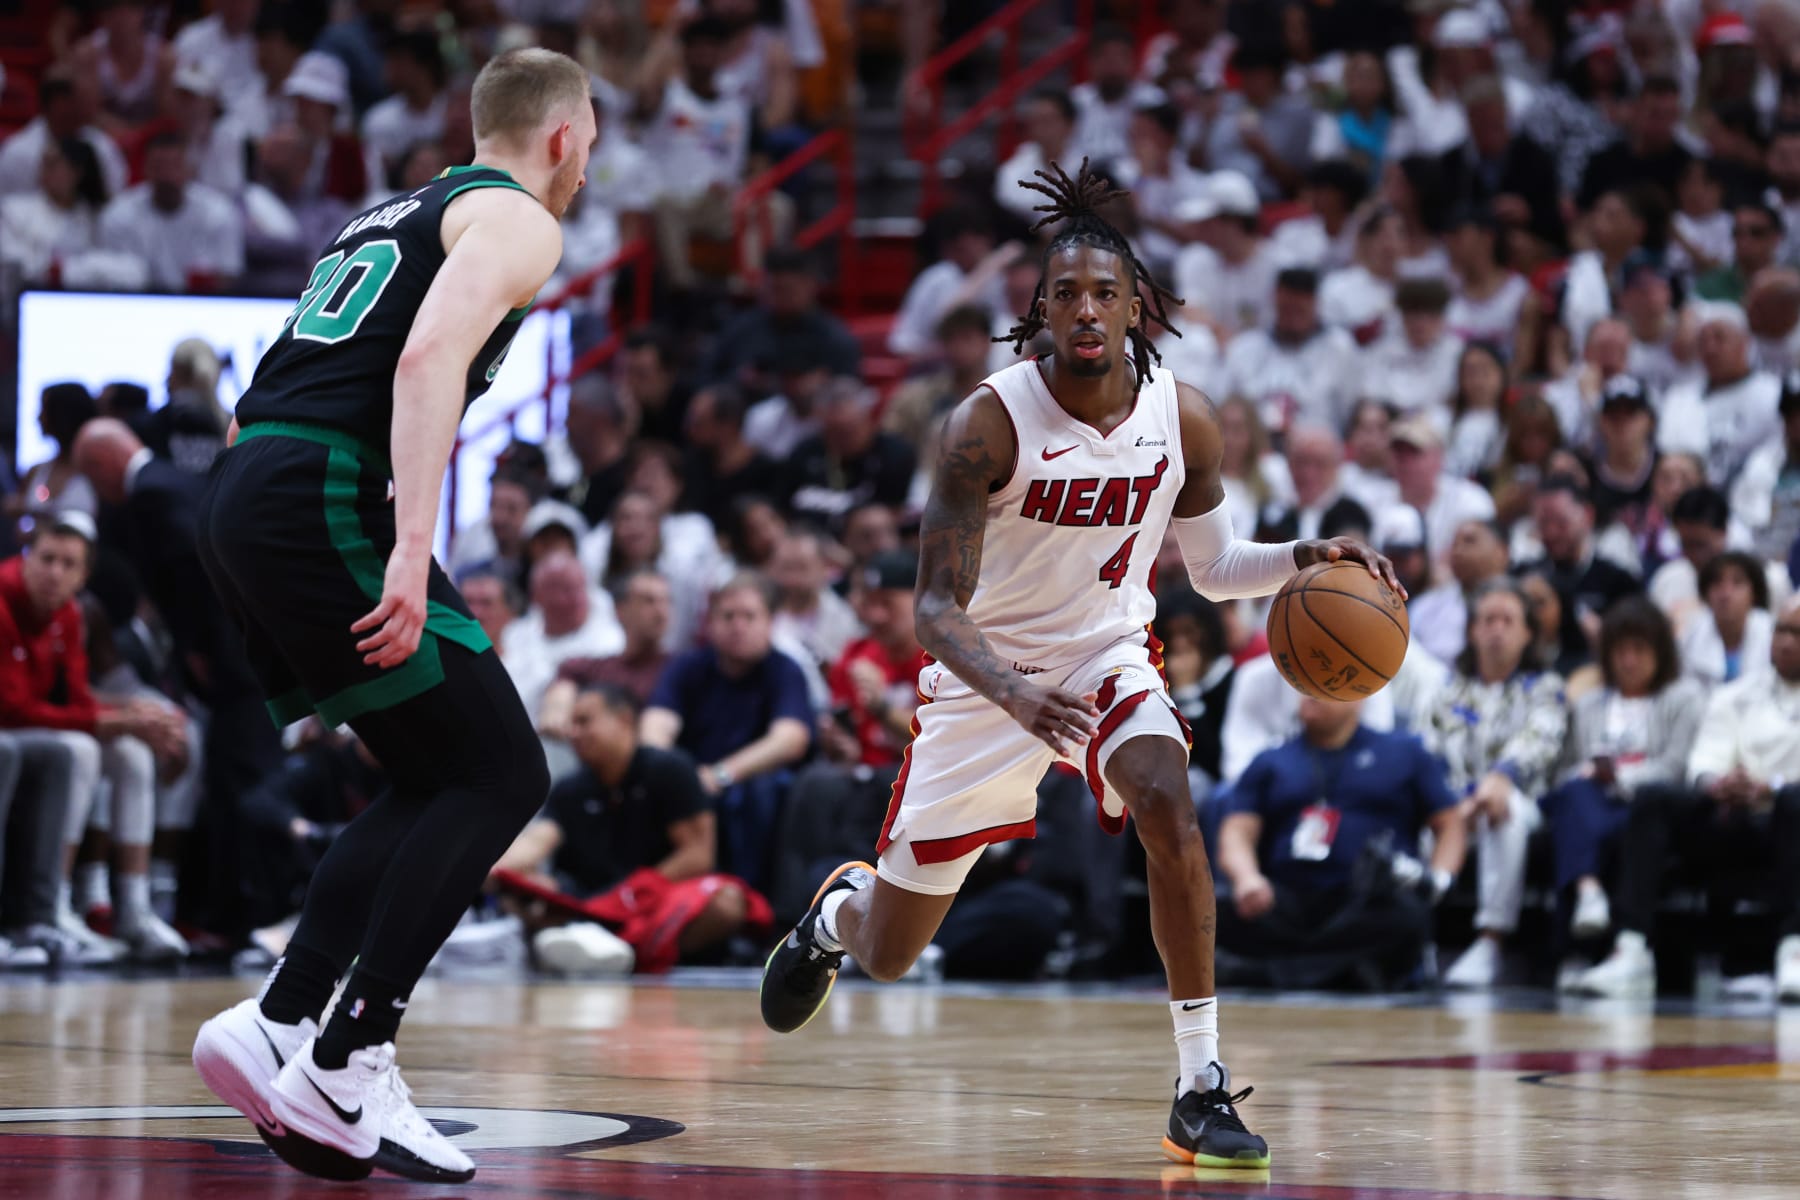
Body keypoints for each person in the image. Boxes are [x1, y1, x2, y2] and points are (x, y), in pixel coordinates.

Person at [758, 162, 1398, 1168]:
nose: (1087, 310)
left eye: (1105, 292)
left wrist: (1304, 561)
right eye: (1067, 295)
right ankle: (838, 916)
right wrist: (1013, 693)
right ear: (1041, 311)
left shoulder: (1182, 417)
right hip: (984, 685)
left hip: (1106, 654)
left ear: (1137, 303)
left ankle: (1199, 1086)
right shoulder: (987, 425)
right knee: (891, 952)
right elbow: (931, 609)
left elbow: (1219, 569)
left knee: (1166, 797)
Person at [187, 49, 596, 1185]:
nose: (584, 170)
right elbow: (425, 362)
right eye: (590, 146)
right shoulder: (517, 218)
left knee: (438, 772)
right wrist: (411, 553)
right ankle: (348, 1053)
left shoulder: (389, 211)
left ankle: (282, 1017)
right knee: (504, 774)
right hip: (322, 490)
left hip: (247, 488)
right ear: (562, 138)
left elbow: (288, 379)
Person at [1570, 595, 1800, 1001]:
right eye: (1782, 630)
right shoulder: (1737, 693)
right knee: (1655, 796)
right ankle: (1632, 947)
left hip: (1787, 814)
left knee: (1794, 802)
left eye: (1796, 634)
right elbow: (1704, 758)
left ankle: (1794, 950)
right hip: (1731, 812)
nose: (1786, 641)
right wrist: (1717, 781)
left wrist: (1772, 785)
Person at [0, 512, 189, 962]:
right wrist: (119, 719)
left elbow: (79, 699)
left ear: (84, 576)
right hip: (11, 727)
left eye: (68, 565)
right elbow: (12, 707)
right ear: (26, 557)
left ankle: (134, 909)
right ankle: (55, 905)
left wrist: (129, 715)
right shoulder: (4, 602)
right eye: (47, 558)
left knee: (131, 755)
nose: (54, 573)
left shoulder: (68, 613)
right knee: (82, 749)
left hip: (26, 729)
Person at [492, 684, 767, 974]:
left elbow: (698, 856)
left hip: (655, 899)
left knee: (726, 905)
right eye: (572, 723)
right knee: (524, 891)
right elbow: (537, 840)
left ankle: (626, 952)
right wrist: (494, 868)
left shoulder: (671, 769)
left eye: (584, 721)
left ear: (623, 719)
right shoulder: (569, 788)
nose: (574, 733)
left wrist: (626, 898)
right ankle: (607, 947)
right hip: (589, 902)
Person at [1216, 697, 1466, 991]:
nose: (1310, 695)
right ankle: (1341, 973)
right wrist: (1247, 879)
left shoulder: (1404, 752)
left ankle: (1271, 974)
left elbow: (1450, 823)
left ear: (1357, 698)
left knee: (1408, 914)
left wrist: (1439, 880)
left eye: (1324, 687)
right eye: (1304, 686)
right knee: (1217, 909)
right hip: (1286, 899)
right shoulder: (1270, 760)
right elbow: (1236, 831)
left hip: (1367, 901)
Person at [1420, 580, 1569, 989]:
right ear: (1472, 631)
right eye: (1487, 620)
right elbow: (1427, 753)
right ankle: (1418, 937)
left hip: (1523, 805)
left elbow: (1536, 744)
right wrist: (1453, 806)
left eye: (1508, 620)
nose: (1496, 629)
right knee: (1410, 811)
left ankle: (1491, 941)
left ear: (1527, 634)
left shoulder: (1546, 687)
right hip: (1452, 807)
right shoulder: (1449, 690)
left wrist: (1494, 785)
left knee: (1504, 811)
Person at [1542, 599, 1702, 951]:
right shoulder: (1587, 704)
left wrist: (1619, 778)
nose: (1628, 660)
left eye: (1639, 649)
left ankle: (1582, 913)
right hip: (1589, 804)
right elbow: (1563, 770)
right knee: (1572, 793)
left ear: (1660, 652)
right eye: (1620, 650)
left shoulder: (1684, 697)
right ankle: (1588, 895)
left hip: (1644, 808)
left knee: (1573, 811)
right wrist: (1587, 773)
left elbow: (1678, 766)